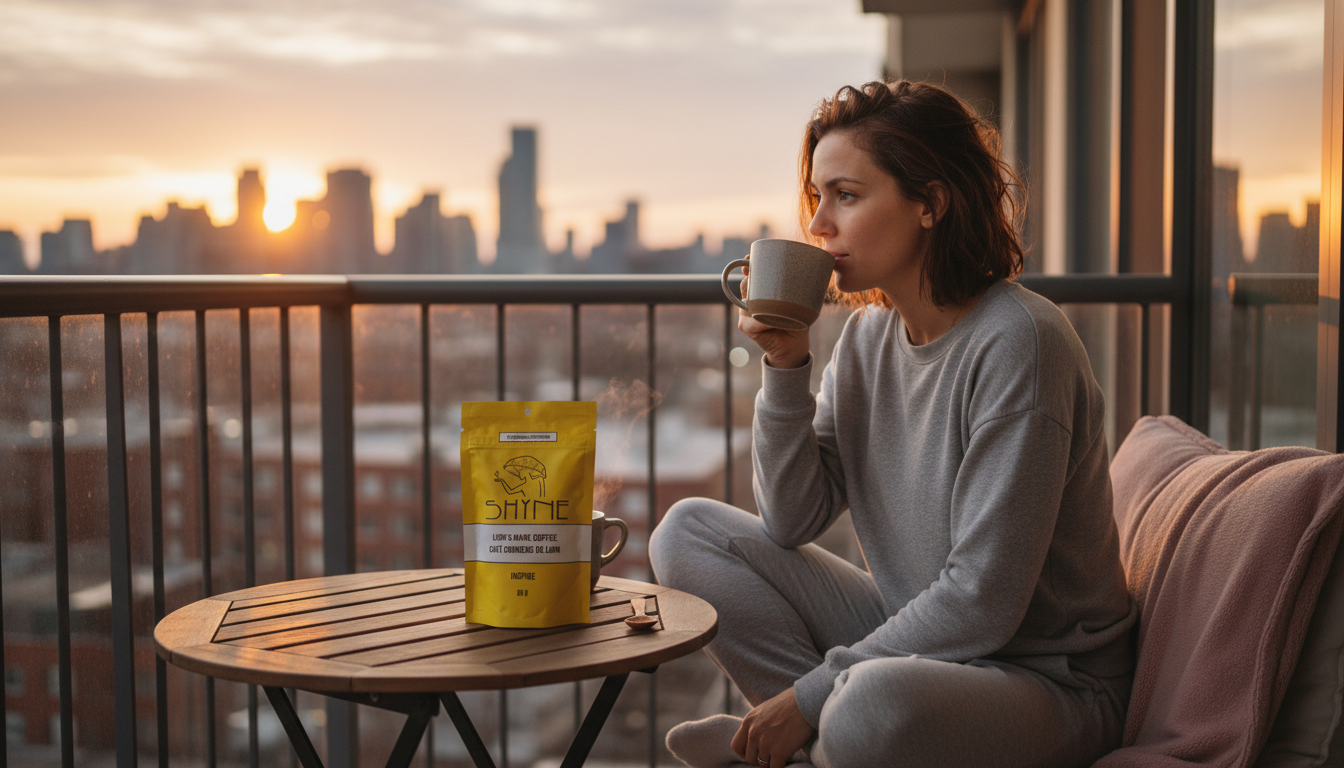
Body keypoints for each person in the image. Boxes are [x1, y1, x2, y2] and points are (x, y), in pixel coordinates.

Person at [649, 80, 1136, 768]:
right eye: (817, 198)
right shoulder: (868, 338)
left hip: (1050, 684)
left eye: (846, 195)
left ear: (931, 204)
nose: (818, 225)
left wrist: (812, 694)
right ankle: (807, 744)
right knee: (688, 534)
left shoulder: (1021, 343)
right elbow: (791, 520)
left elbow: (983, 602)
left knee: (869, 707)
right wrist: (786, 365)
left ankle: (798, 735)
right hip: (913, 644)